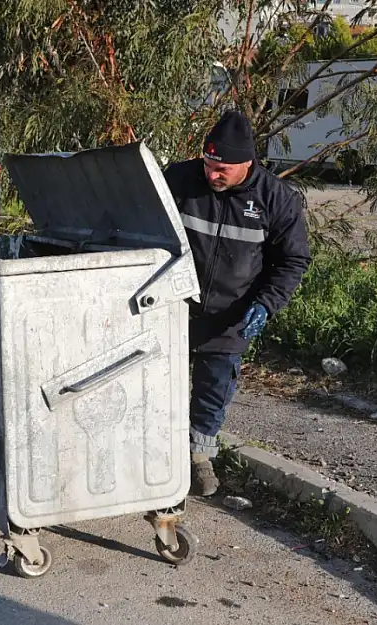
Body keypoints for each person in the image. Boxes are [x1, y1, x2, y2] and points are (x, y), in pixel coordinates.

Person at [163, 110, 312, 496]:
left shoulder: (276, 200)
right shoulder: (178, 179)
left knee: (213, 390)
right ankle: (156, 455)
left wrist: (266, 304)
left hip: (231, 315)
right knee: (160, 385)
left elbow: (293, 260)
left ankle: (199, 459)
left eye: (222, 169)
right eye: (209, 164)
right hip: (173, 307)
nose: (212, 175)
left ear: (247, 163)